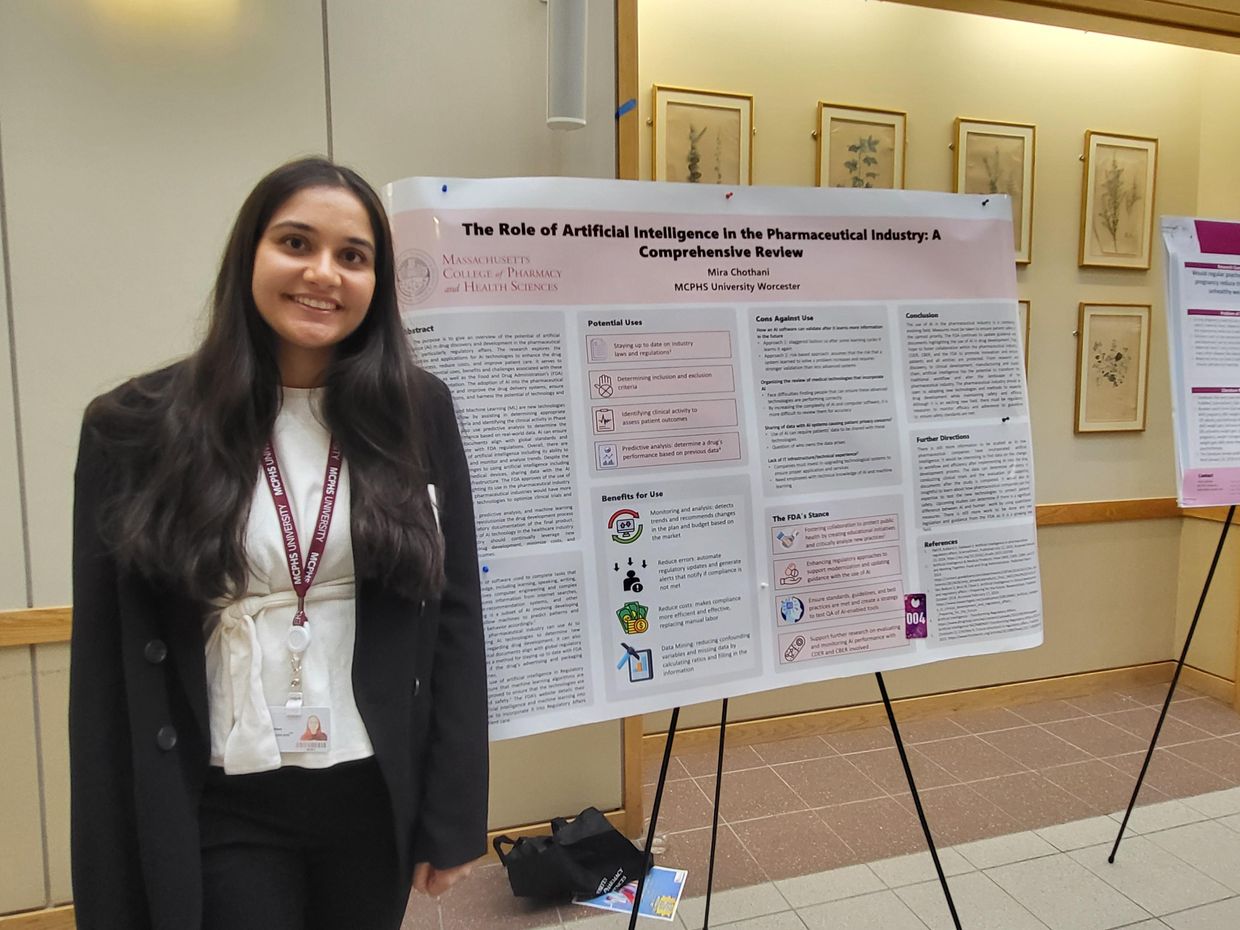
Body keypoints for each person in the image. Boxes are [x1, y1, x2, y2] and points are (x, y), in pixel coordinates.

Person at [69, 157, 488, 930]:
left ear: (376, 280)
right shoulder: (136, 427)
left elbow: (455, 615)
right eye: (296, 243)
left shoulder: (416, 411)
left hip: (370, 792)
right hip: (225, 796)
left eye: (352, 256)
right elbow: (104, 671)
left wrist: (454, 810)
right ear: (249, 257)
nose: (322, 273)